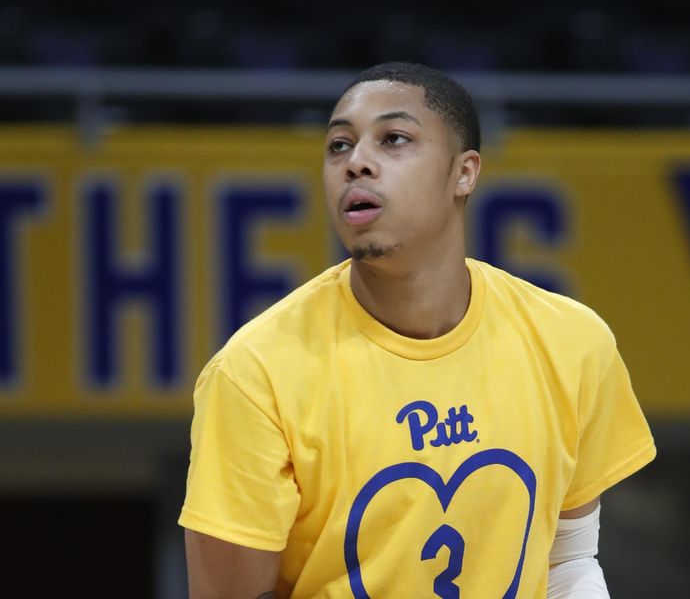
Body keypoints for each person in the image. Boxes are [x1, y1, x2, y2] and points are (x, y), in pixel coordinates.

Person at [179, 62, 656, 599]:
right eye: (339, 146)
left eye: (394, 139)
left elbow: (567, 560)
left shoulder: (572, 342)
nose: (356, 163)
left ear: (465, 172)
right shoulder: (254, 372)